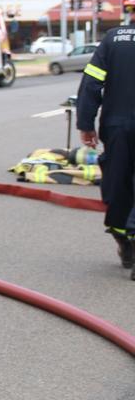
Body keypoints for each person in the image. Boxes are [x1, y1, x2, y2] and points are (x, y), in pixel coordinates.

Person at [76, 22, 135, 277]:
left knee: (117, 183)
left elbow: (91, 83)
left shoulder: (113, 39)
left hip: (117, 126)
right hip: (118, 125)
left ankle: (123, 237)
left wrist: (86, 123)